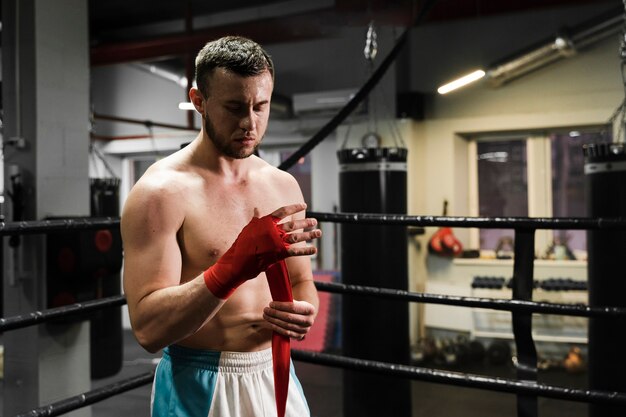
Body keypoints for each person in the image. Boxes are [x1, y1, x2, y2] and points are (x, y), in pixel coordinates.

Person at [121, 36, 322, 417]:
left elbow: (301, 282)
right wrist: (230, 269)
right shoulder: (161, 192)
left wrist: (304, 309)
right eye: (234, 107)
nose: (250, 123)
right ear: (199, 102)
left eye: (260, 106)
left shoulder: (283, 186)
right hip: (200, 381)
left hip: (276, 373)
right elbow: (147, 329)